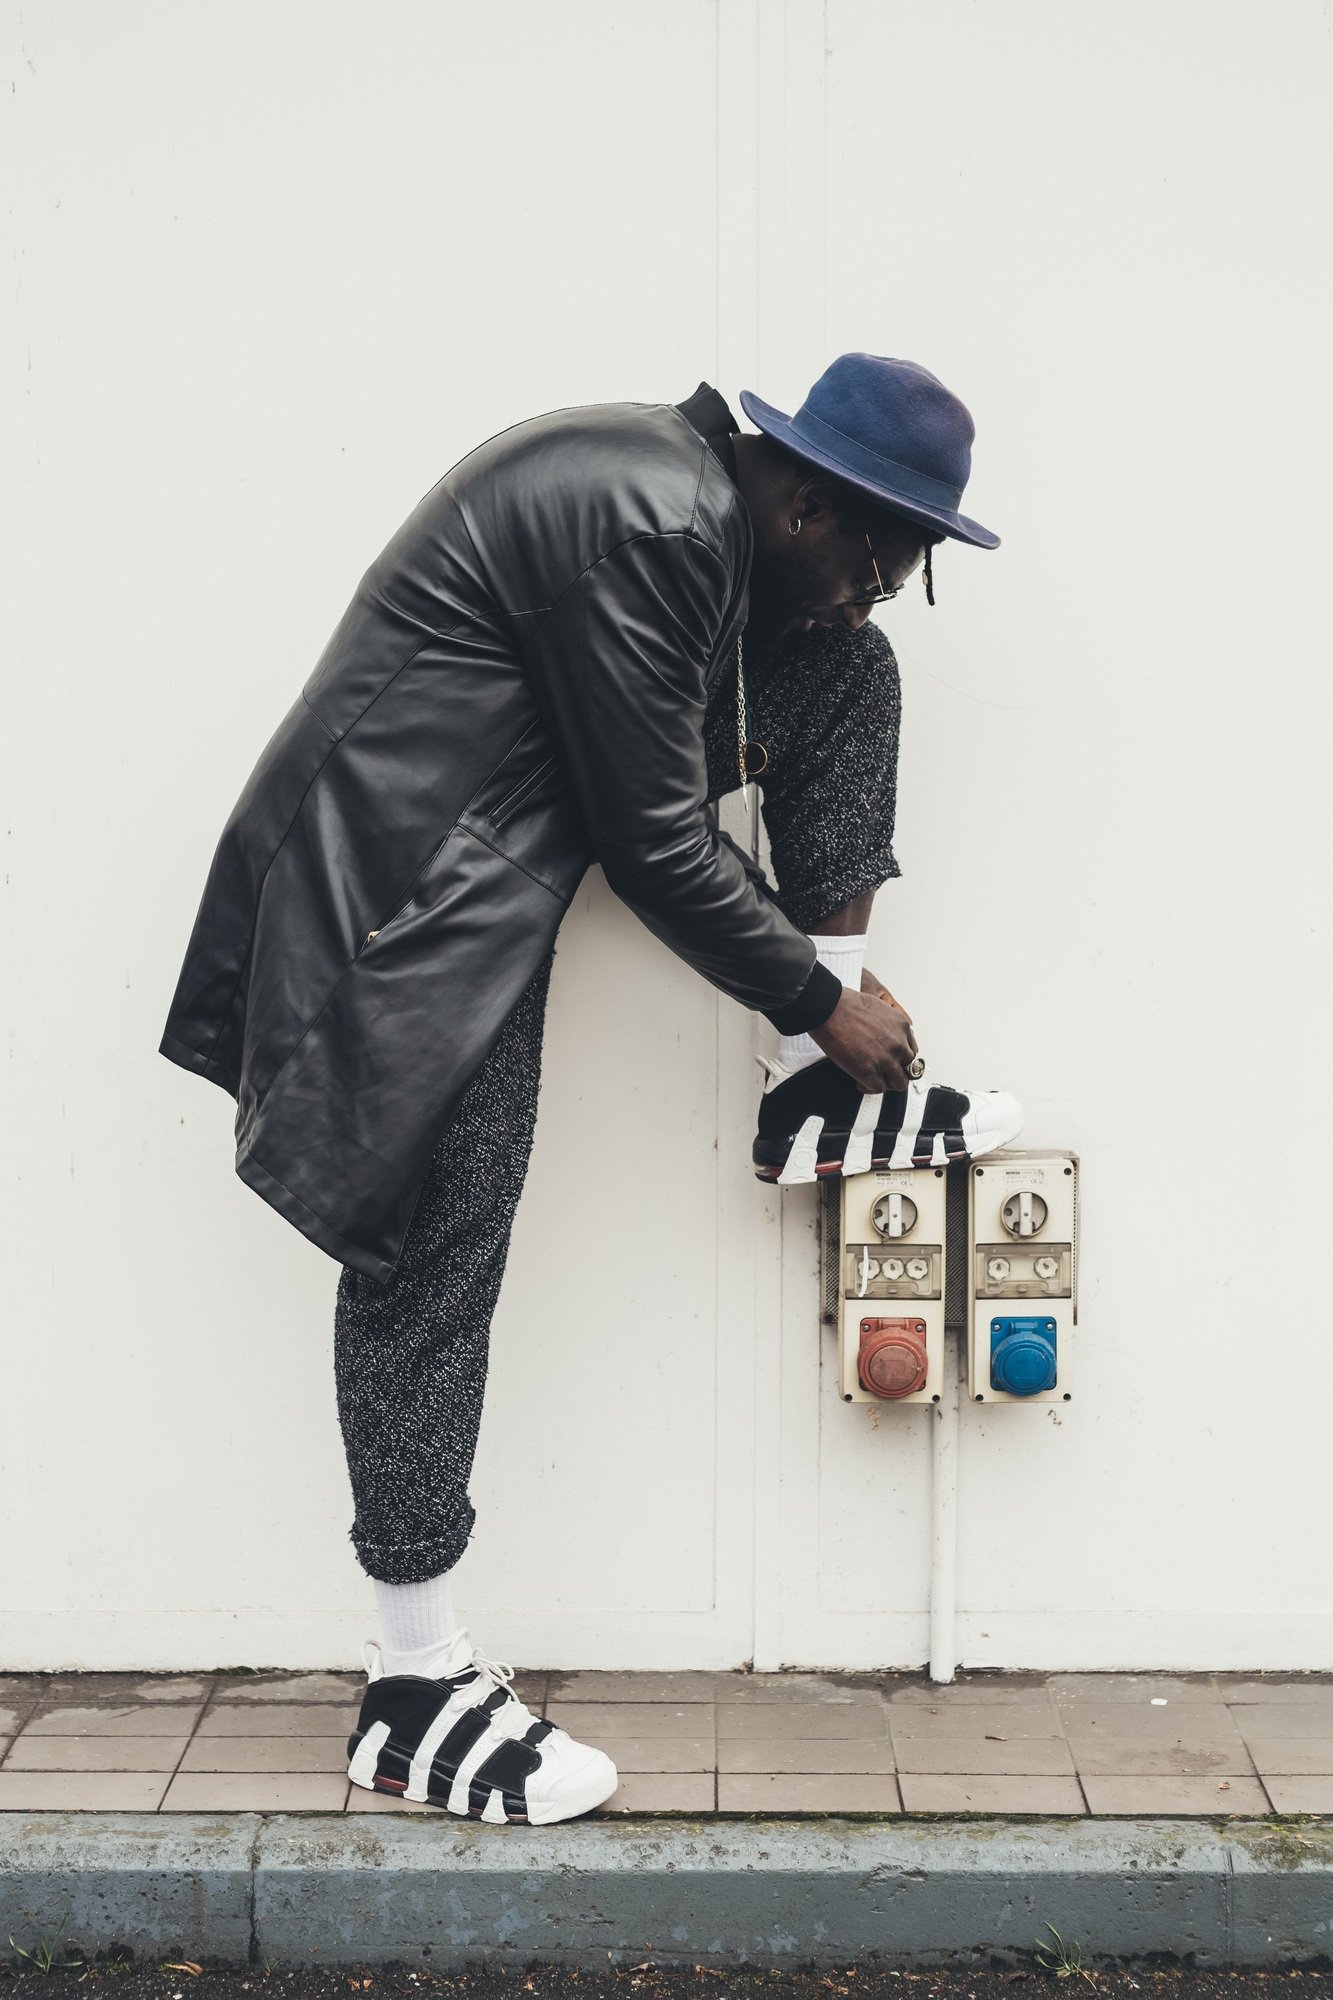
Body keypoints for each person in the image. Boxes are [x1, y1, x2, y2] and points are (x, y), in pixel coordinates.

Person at [160, 353, 1020, 1826]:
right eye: (887, 563)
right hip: (411, 897)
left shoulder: (699, 520)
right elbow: (656, 845)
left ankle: (804, 1098)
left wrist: (811, 1020)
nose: (879, 595)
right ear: (808, 508)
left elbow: (689, 770)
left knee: (844, 683)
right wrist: (830, 1004)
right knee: (431, 1256)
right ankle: (412, 1689)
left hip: (491, 847)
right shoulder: (656, 522)